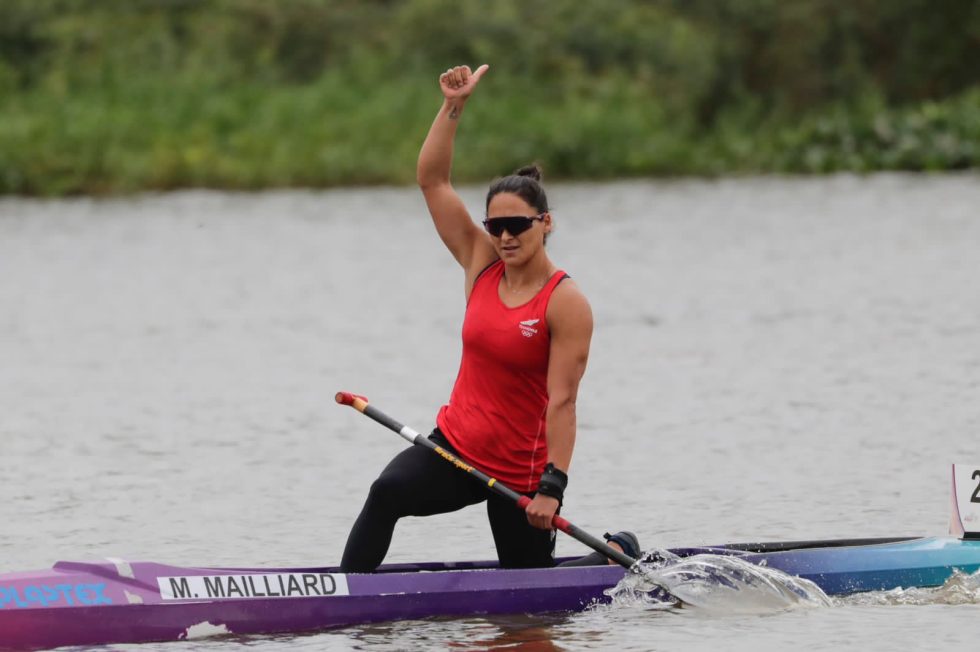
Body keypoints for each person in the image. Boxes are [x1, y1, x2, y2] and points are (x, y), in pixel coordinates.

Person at [340, 64, 638, 572]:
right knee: (386, 492)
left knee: (531, 596)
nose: (505, 237)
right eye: (495, 226)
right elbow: (432, 181)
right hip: (455, 449)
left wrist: (552, 487)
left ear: (545, 224)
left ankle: (615, 556)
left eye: (517, 225)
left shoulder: (565, 303)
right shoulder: (481, 264)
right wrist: (453, 106)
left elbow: (563, 402)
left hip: (519, 472)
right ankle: (343, 596)